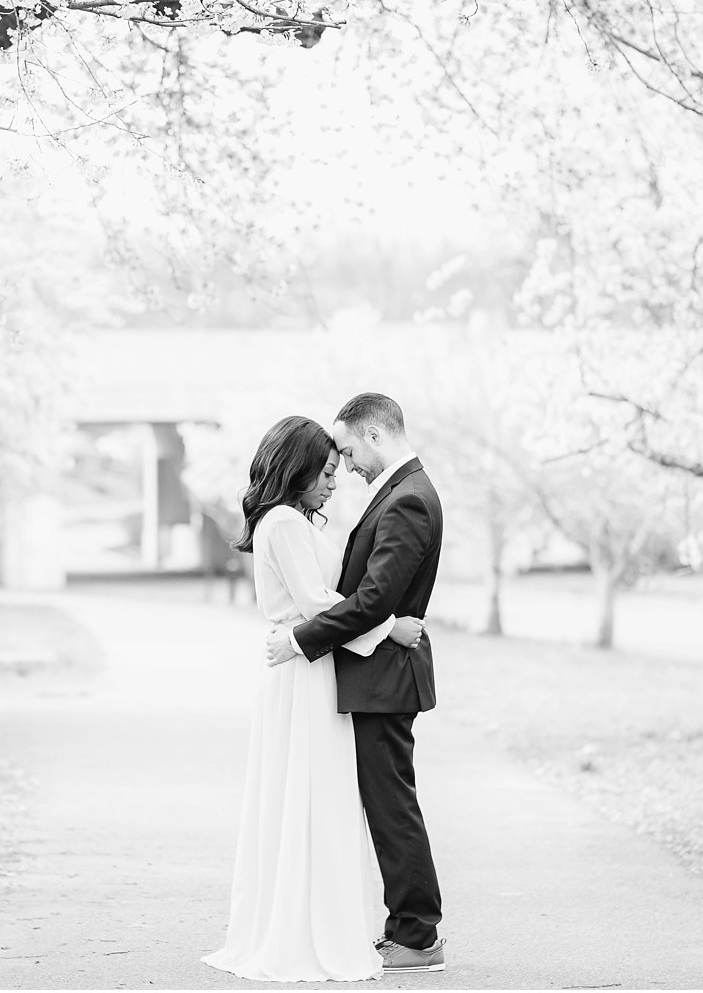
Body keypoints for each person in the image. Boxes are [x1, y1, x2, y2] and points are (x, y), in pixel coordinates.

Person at [203, 415, 425, 983]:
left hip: (314, 668)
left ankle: (318, 922)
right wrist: (388, 629)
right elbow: (316, 602)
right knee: (307, 800)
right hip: (302, 676)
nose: (336, 481)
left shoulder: (292, 520)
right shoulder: (281, 521)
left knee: (319, 801)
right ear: (297, 469)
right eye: (327, 471)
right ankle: (303, 932)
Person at [264, 392, 446, 974]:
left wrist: (300, 639)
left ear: (374, 434)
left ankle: (417, 935)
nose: (344, 467)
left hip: (385, 678)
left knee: (391, 805)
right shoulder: (397, 495)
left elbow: (373, 600)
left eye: (346, 451)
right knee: (385, 801)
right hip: (376, 672)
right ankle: (406, 929)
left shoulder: (408, 500)